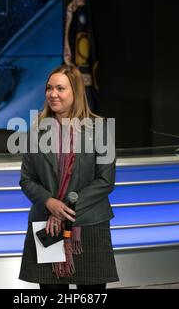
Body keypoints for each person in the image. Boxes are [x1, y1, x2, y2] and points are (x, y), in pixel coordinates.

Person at [19, 64, 118, 289]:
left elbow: (105, 181)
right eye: (49, 88)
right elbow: (27, 179)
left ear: (76, 92)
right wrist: (48, 202)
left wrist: (65, 209)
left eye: (60, 88)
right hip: (48, 224)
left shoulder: (99, 129)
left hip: (89, 224)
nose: (53, 94)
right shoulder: (36, 131)